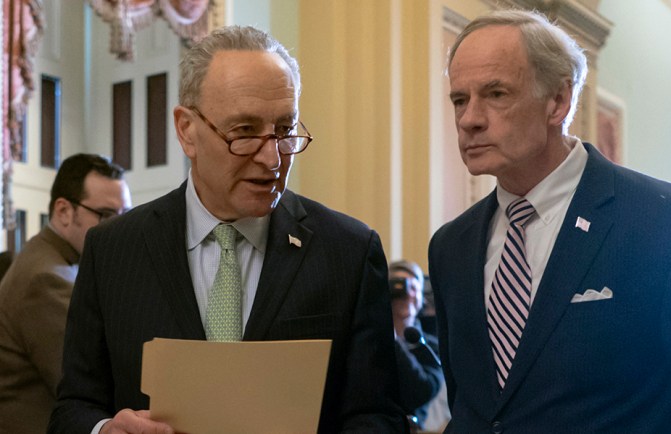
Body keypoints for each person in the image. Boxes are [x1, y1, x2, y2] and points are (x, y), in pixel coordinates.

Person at [48, 25, 406, 434]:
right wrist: (104, 429)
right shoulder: (113, 249)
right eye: (245, 132)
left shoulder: (349, 251)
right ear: (187, 130)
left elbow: (378, 415)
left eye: (285, 130)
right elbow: (73, 407)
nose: (272, 158)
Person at [428, 9, 671, 433]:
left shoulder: (670, 225)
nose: (469, 119)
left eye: (496, 94)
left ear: (558, 101)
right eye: (460, 99)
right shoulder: (451, 245)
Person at [0, 153, 130, 434]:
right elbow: (86, 383)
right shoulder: (46, 278)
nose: (120, 227)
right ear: (63, 211)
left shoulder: (58, 260)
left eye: (126, 215)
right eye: (106, 215)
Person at [389, 260, 443, 430]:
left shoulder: (430, 345)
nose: (407, 294)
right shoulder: (369, 341)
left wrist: (395, 340)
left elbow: (422, 392)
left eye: (413, 287)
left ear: (421, 297)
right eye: (398, 287)